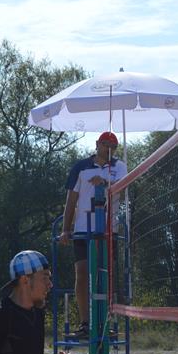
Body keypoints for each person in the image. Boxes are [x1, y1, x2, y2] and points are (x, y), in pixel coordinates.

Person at [59, 131, 127, 338]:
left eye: (113, 146)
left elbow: (122, 188)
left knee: (105, 275)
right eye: (105, 144)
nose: (109, 149)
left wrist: (104, 183)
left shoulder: (119, 166)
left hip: (107, 230)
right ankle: (85, 323)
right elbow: (71, 200)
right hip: (83, 229)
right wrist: (65, 229)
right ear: (97, 144)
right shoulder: (81, 167)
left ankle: (105, 322)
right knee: (82, 274)